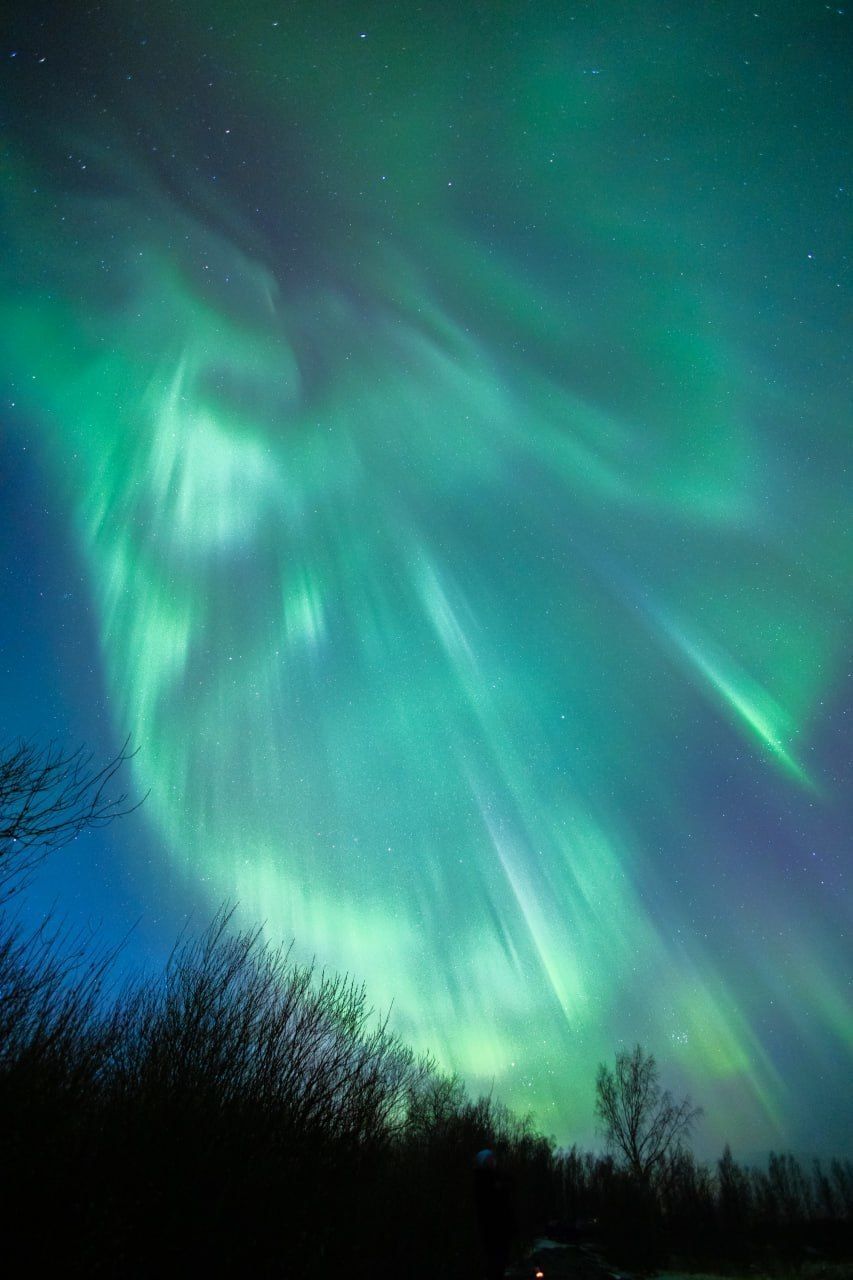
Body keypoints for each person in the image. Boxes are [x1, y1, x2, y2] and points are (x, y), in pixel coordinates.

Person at [473, 1148, 516, 1280]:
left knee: (500, 1260)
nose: (493, 1161)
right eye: (490, 1159)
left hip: (500, 1226)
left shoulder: (498, 1177)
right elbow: (486, 1204)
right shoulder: (482, 1180)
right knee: (493, 1260)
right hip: (490, 1227)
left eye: (493, 1158)